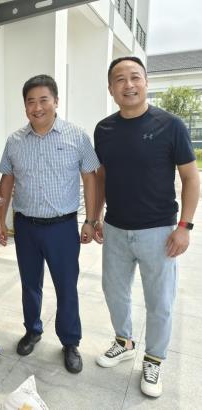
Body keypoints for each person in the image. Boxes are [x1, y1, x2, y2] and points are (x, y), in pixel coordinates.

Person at [93, 56, 200, 397]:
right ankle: (124, 341)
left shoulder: (171, 125)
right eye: (120, 79)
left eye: (135, 77)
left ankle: (154, 359)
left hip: (159, 232)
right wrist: (95, 216)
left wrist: (185, 226)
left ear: (146, 82)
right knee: (114, 292)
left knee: (160, 301)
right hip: (115, 229)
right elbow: (101, 176)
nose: (128, 85)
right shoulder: (104, 129)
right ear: (111, 89)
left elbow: (191, 177)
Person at [0, 74, 100, 374]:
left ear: (56, 101)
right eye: (31, 101)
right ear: (25, 106)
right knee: (30, 284)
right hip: (26, 226)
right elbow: (6, 182)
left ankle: (70, 341)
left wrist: (91, 220)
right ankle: (32, 330)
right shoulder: (15, 141)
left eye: (44, 100)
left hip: (62, 227)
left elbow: (90, 179)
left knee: (66, 286)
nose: (37, 107)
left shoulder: (77, 136)